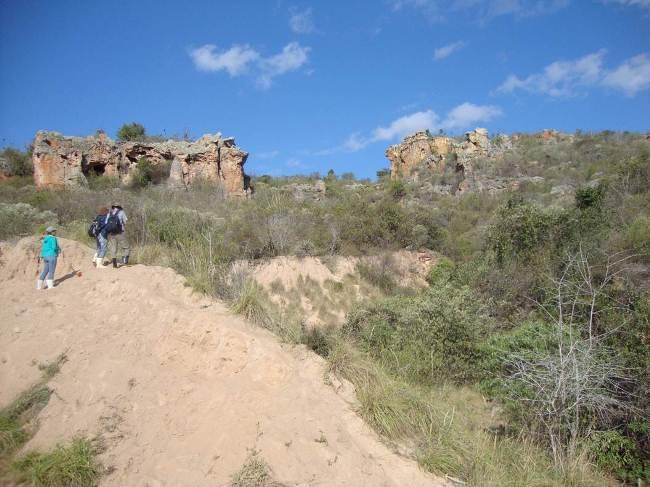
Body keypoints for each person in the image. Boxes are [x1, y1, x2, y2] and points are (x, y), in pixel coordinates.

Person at [107, 203, 129, 268]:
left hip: (112, 233)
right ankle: (125, 263)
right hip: (120, 233)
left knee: (113, 248)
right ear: (119, 207)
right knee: (126, 247)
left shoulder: (110, 213)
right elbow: (125, 221)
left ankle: (114, 264)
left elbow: (106, 223)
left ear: (113, 207)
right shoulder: (122, 212)